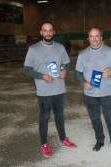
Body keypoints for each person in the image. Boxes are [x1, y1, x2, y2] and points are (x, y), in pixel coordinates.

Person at [23, 22, 76, 157]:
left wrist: (64, 70)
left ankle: (63, 139)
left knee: (60, 116)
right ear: (41, 32)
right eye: (45, 30)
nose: (48, 33)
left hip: (59, 89)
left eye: (50, 30)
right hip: (44, 91)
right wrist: (42, 76)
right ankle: (44, 144)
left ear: (54, 32)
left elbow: (67, 63)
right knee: (45, 118)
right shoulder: (33, 49)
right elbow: (27, 69)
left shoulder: (60, 47)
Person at [75, 27, 111, 156]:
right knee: (95, 119)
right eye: (92, 36)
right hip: (90, 95)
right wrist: (83, 83)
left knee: (110, 119)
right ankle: (100, 140)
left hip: (106, 93)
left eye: (97, 36)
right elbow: (78, 72)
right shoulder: (83, 54)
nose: (94, 39)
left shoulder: (110, 51)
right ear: (88, 38)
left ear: (101, 38)